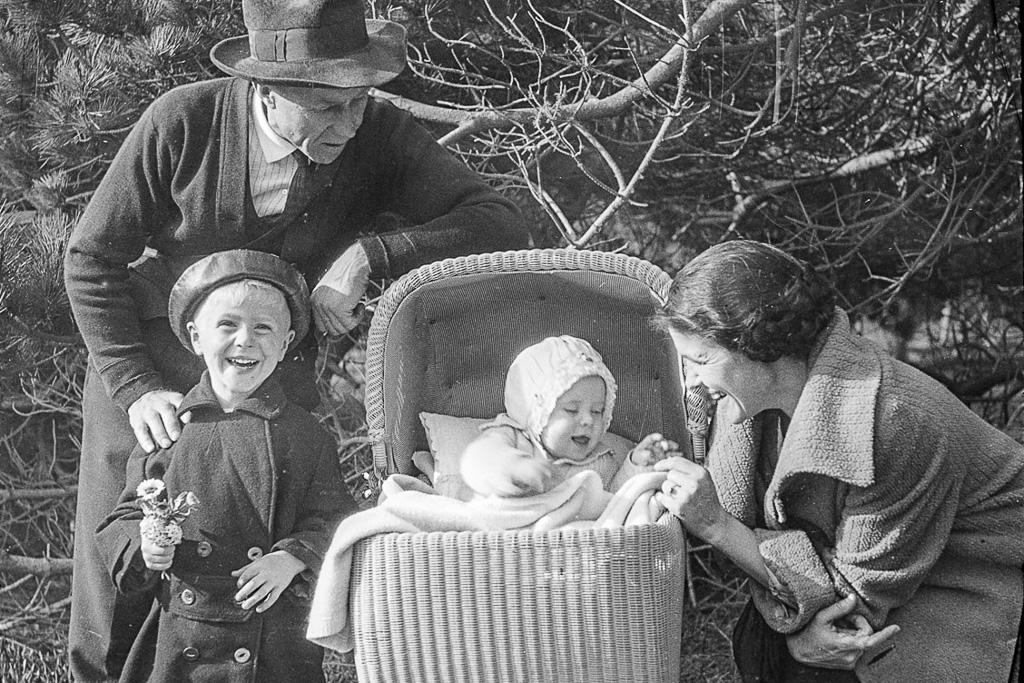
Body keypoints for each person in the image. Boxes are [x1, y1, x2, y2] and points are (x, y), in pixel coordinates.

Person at [62, 0, 528, 679]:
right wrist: (133, 386)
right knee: (122, 569)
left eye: (359, 100)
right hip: (153, 375)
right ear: (267, 92)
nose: (349, 122)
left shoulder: (379, 133)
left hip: (277, 385)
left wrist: (375, 251)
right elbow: (89, 258)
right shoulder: (182, 121)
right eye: (326, 106)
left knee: (272, 568)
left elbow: (497, 221)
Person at [651, 240, 1024, 682]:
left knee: (808, 664)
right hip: (883, 573)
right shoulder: (750, 406)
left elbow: (854, 602)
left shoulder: (894, 421)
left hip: (973, 585)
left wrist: (715, 526)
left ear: (758, 344)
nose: (690, 380)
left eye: (700, 360)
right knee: (761, 643)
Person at [95, 250, 358, 682]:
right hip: (181, 634)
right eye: (228, 325)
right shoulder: (170, 429)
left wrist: (292, 559)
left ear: (286, 344)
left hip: (269, 636)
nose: (244, 340)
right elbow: (121, 518)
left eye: (263, 328)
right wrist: (145, 545)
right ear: (197, 338)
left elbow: (337, 519)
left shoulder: (305, 435)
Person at [460, 335, 678, 498]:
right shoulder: (514, 437)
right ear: (537, 412)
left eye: (597, 410)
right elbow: (477, 459)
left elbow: (615, 500)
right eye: (571, 410)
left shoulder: (604, 455)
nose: (587, 420)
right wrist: (515, 466)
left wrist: (636, 466)